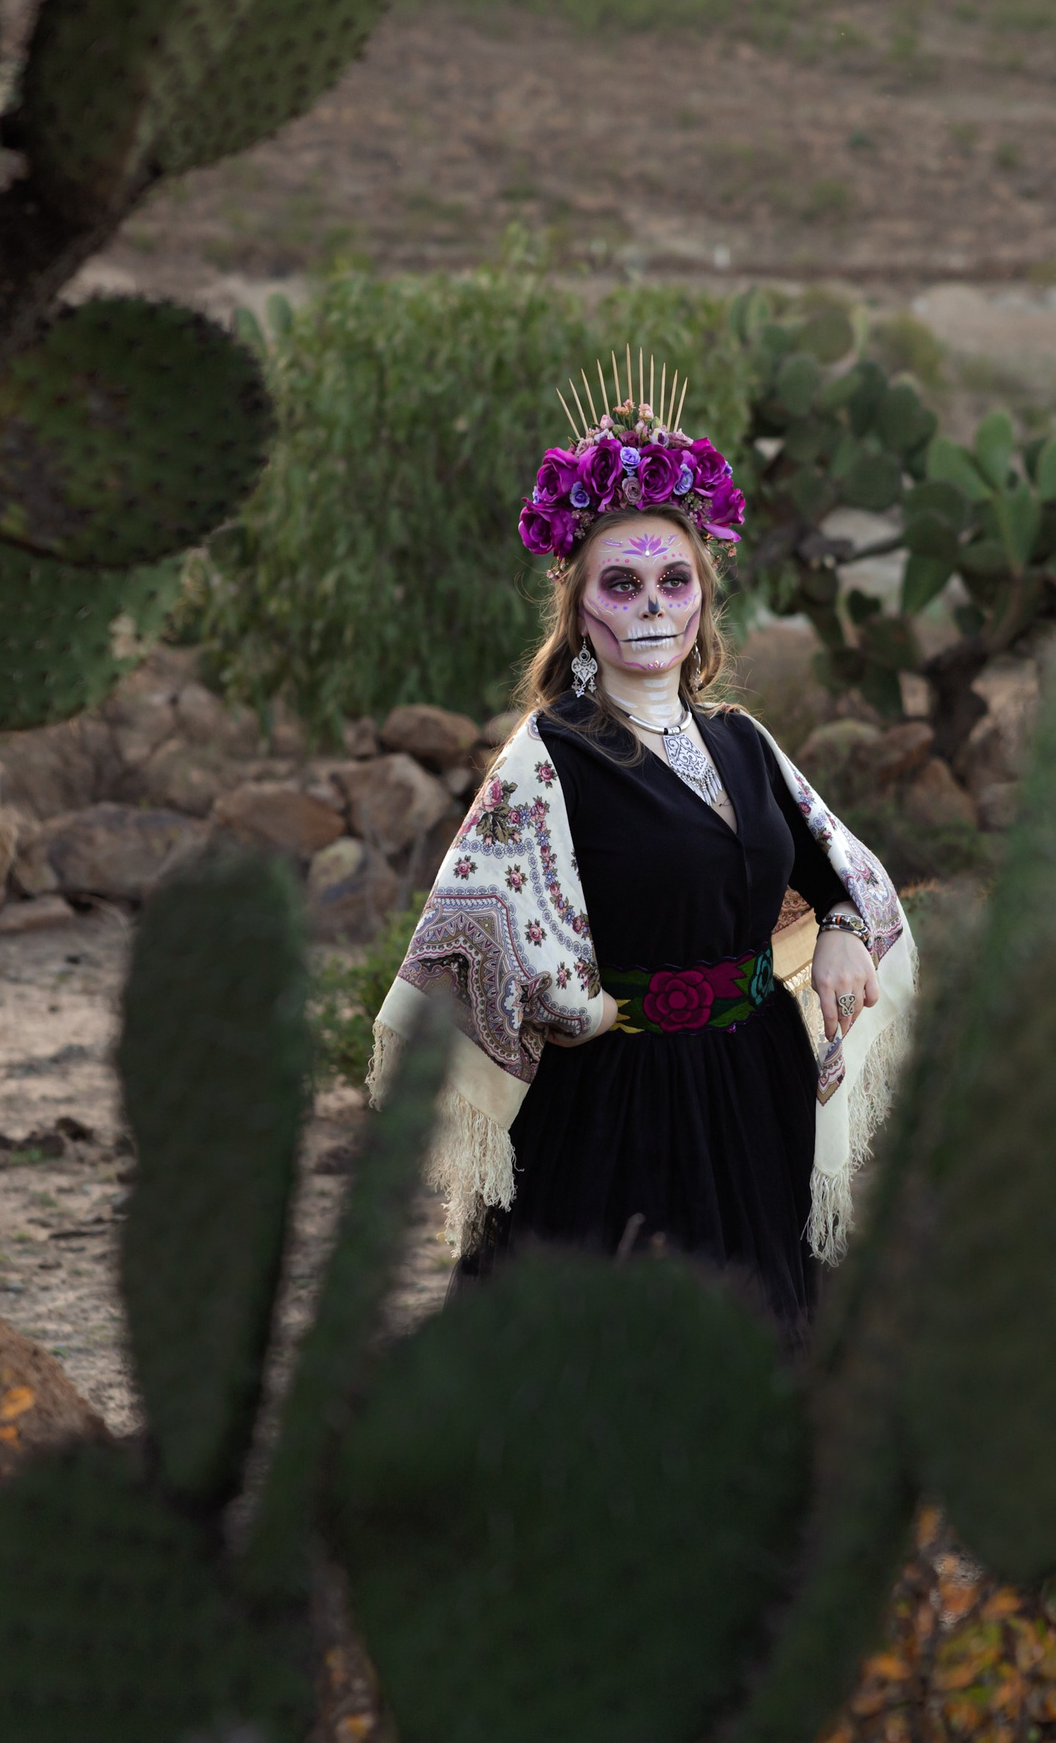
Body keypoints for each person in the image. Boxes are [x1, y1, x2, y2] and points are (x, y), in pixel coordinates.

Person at [371, 354, 916, 1335]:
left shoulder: (743, 743)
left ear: (704, 597)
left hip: (756, 1087)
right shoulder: (547, 759)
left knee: (762, 1348)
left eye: (674, 580)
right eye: (622, 585)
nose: (653, 605)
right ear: (580, 610)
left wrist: (837, 925)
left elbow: (837, 872)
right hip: (611, 1108)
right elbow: (463, 933)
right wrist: (562, 995)